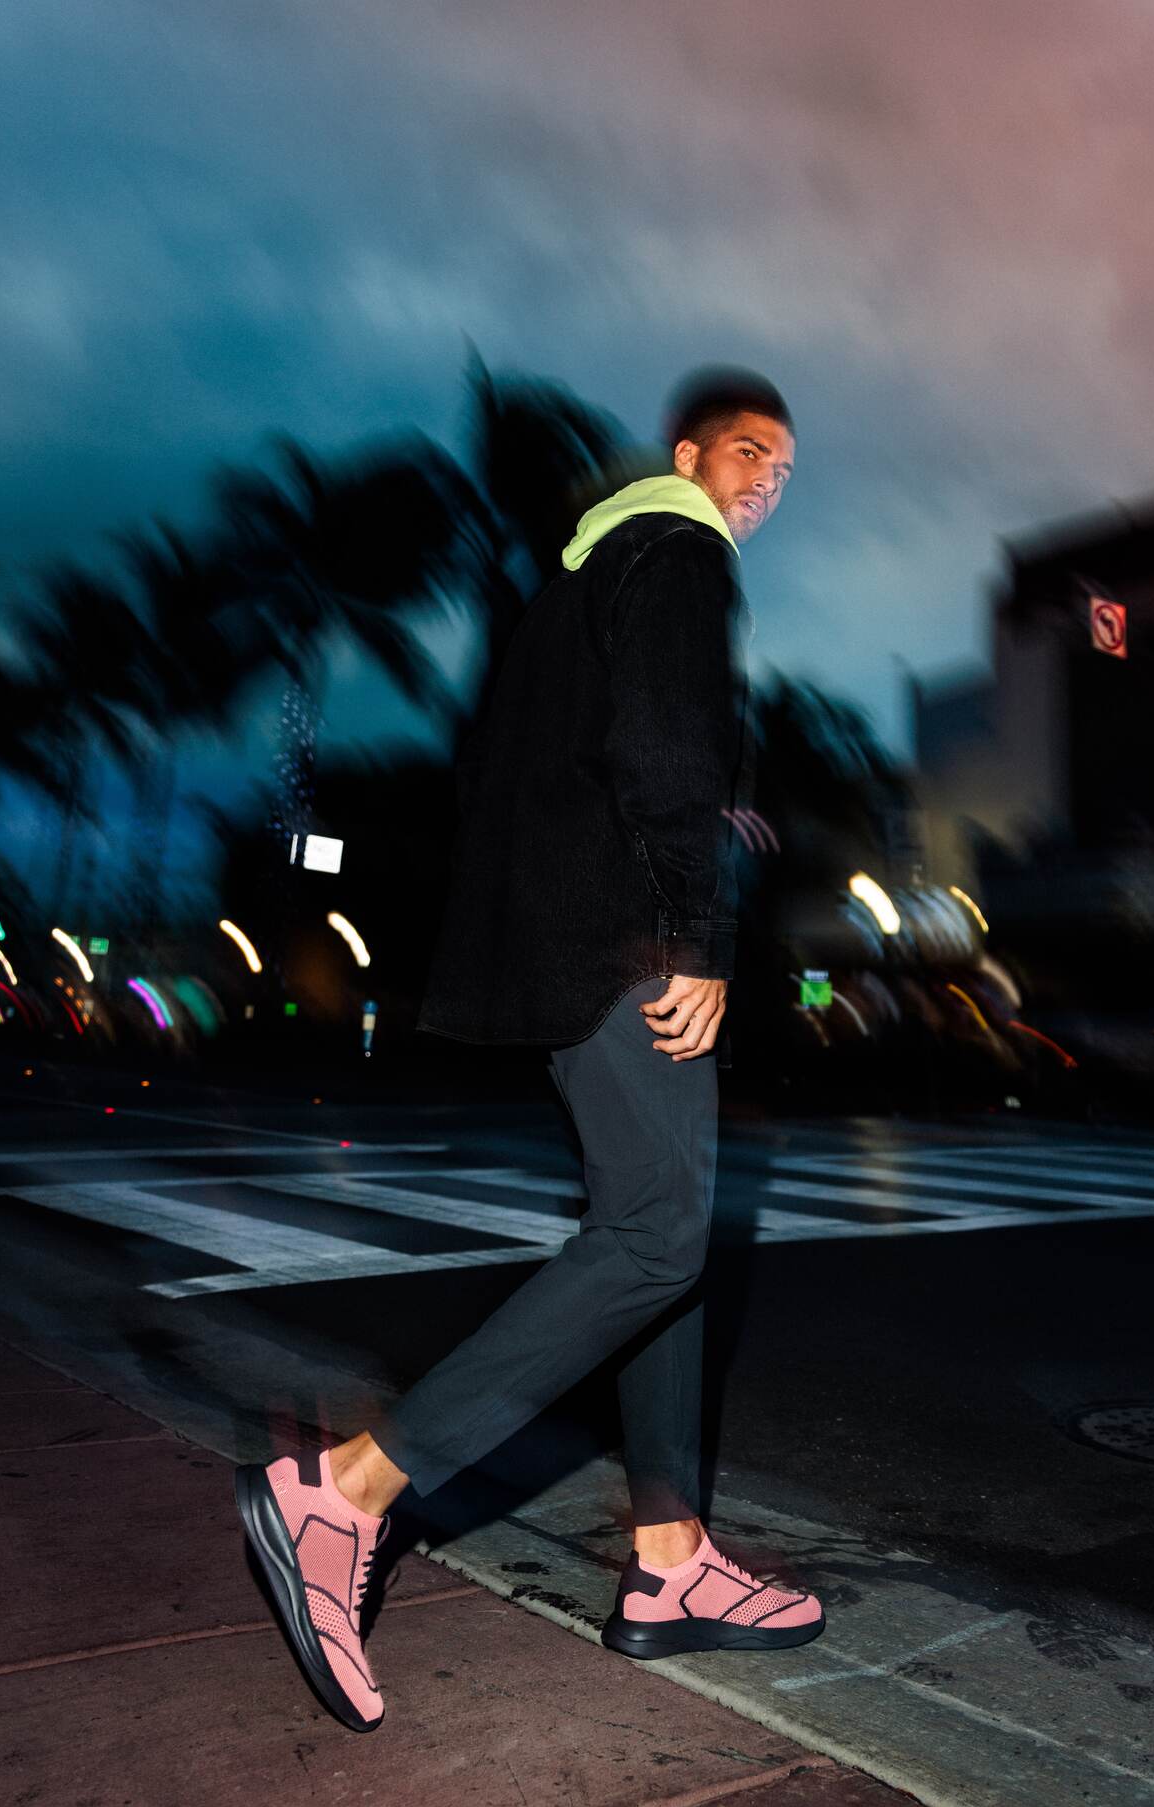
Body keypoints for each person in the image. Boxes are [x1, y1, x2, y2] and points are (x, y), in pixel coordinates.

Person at [234, 367, 824, 1732]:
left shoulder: (581, 578)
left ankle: (671, 1562)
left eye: (781, 472)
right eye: (746, 453)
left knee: (657, 1235)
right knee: (658, 1239)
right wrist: (695, 936)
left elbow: (522, 767)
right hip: (626, 948)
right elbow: (666, 753)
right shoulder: (673, 545)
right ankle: (350, 1492)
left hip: (576, 941)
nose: (762, 485)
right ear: (687, 453)